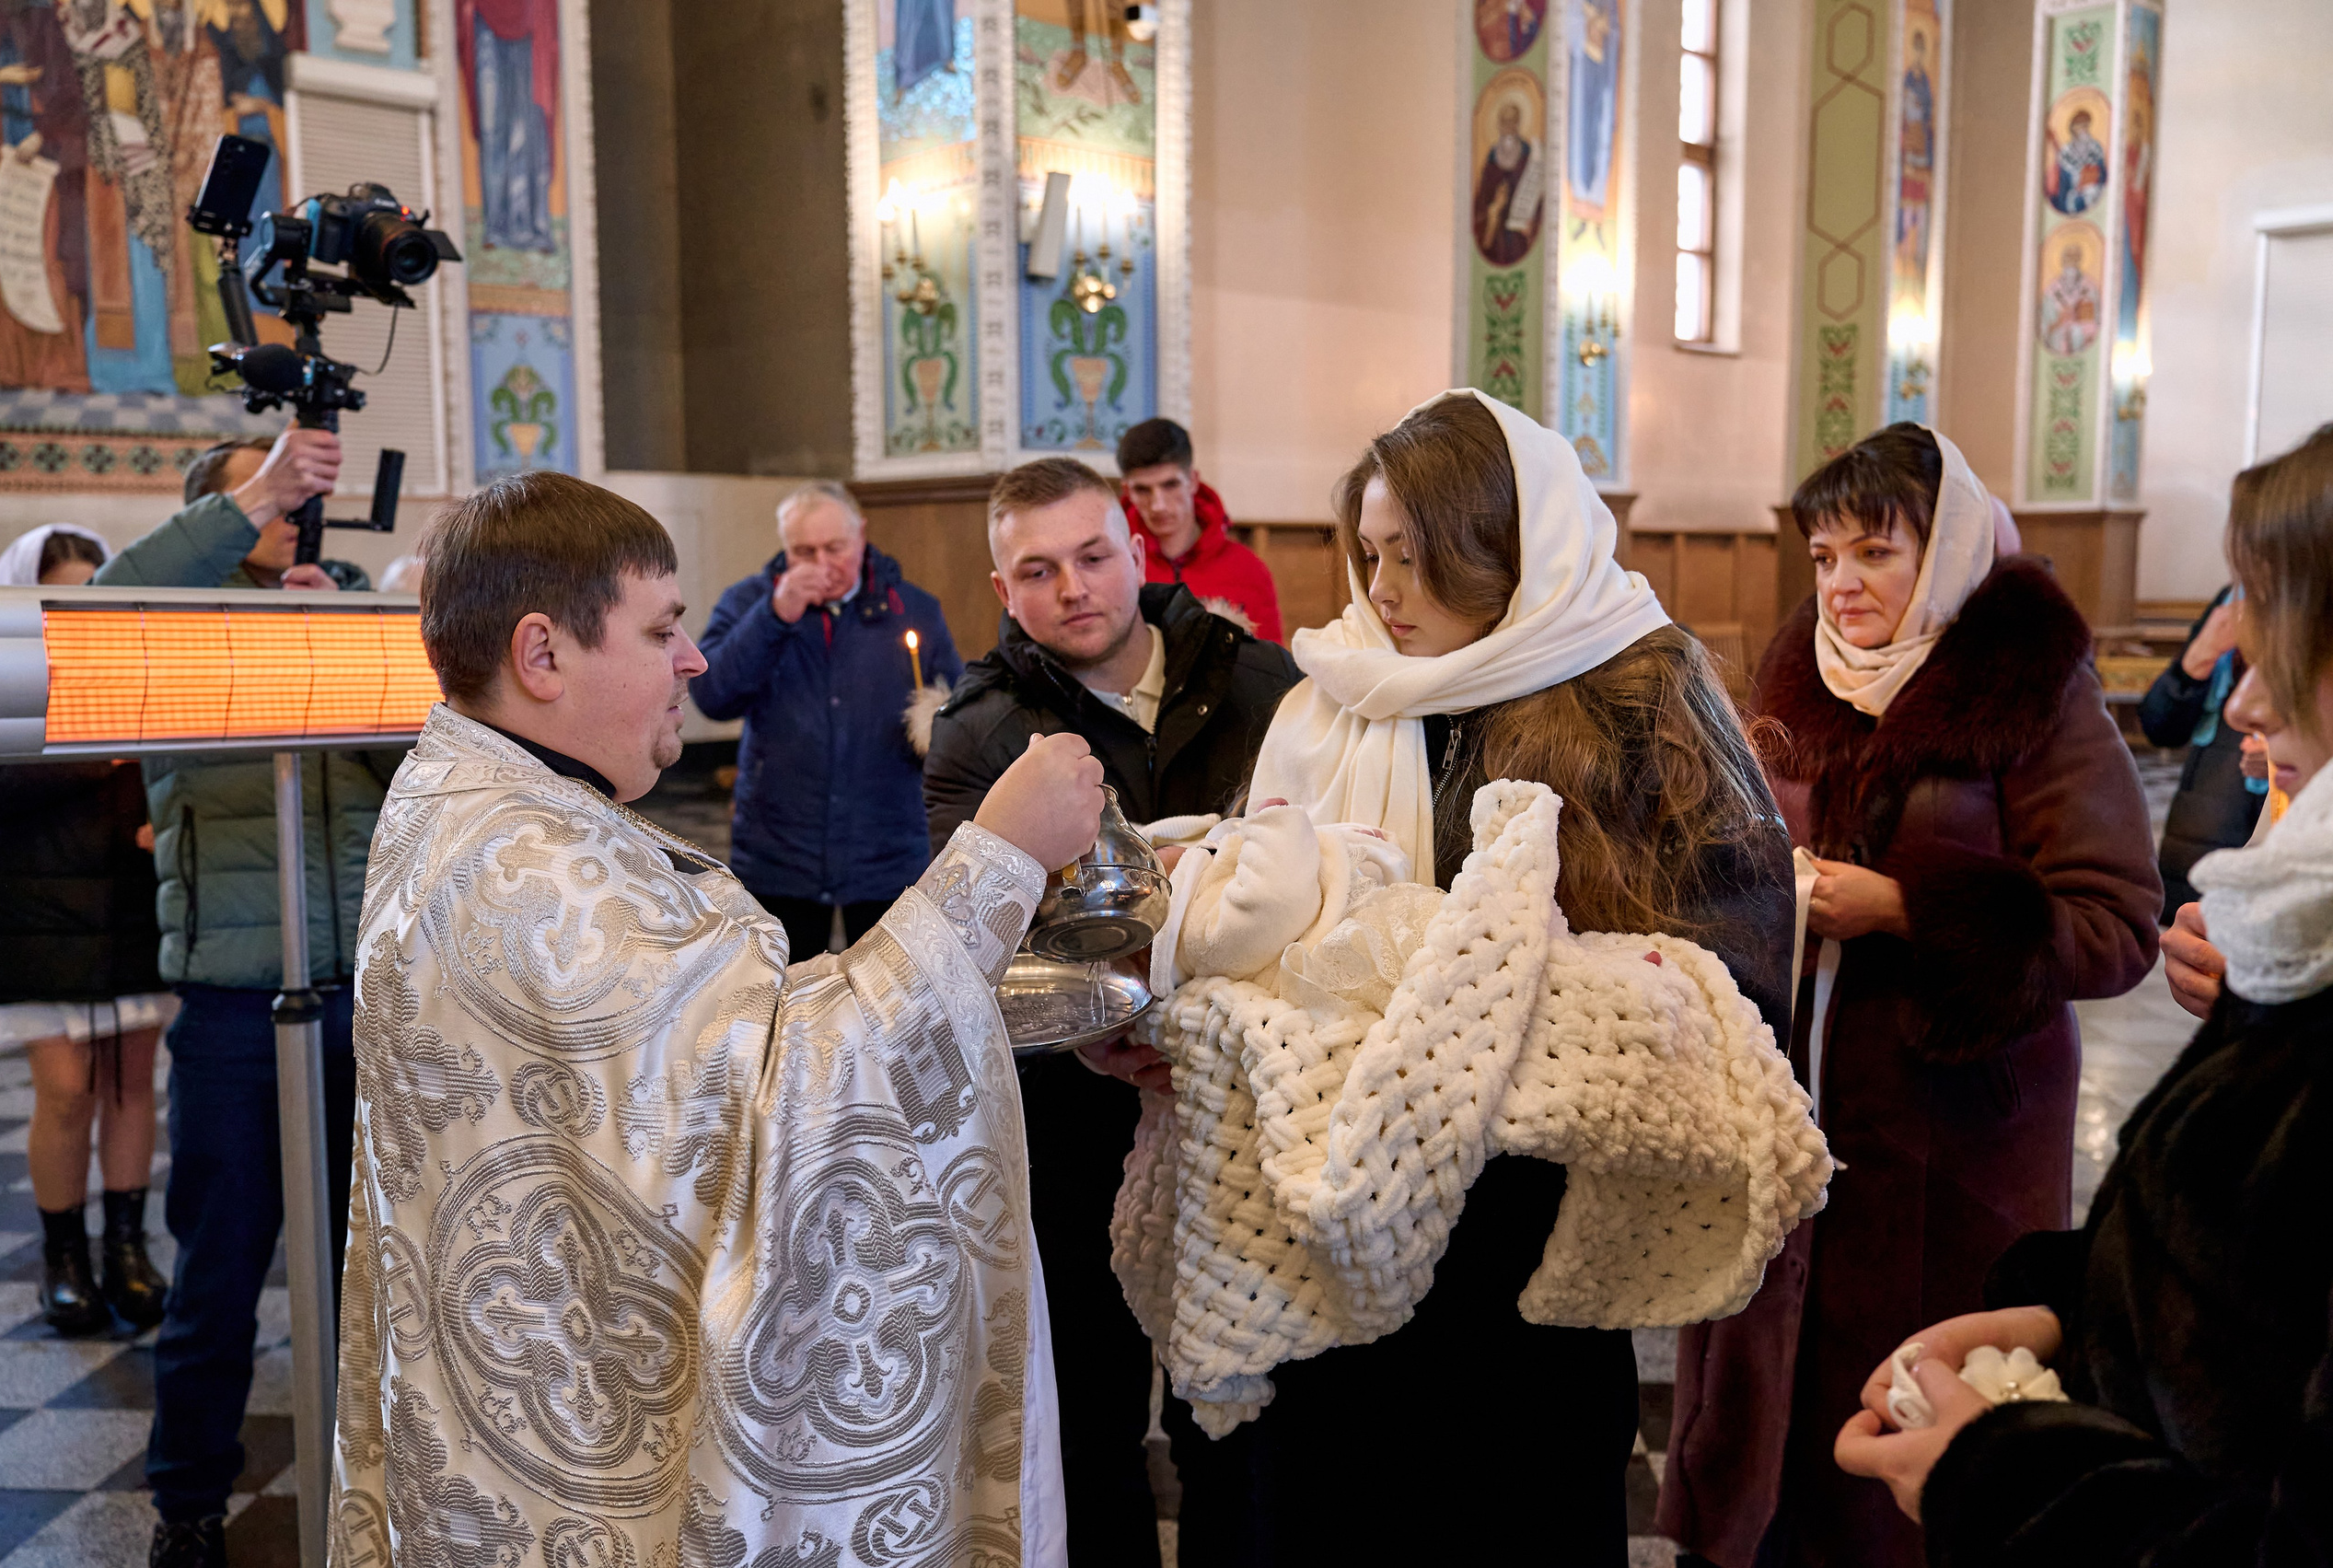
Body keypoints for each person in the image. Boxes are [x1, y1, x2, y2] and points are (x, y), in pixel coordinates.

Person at [331, 470, 1105, 1568]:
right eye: (662, 629)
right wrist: (1002, 856)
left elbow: (711, 1055)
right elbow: (793, 1096)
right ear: (542, 655)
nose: (692, 658)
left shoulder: (477, 803)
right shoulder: (526, 875)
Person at [1159, 389, 1797, 1566]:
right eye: (1371, 553)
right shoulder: (1328, 696)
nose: (1386, 591)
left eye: (1419, 557)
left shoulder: (1638, 700)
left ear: (1508, 548)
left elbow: (1736, 981)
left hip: (1520, 1245)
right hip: (1334, 1212)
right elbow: (1256, 901)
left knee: (1509, 1508)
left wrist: (1485, 993)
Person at [1656, 424, 2162, 1568]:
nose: (1840, 585)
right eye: (1823, 556)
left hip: (1951, 1152)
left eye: (1874, 554)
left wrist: (1904, 908)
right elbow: (1742, 842)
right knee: (1773, 1449)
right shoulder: (1804, 673)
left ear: (1944, 553)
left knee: (1902, 1461)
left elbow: (2117, 921)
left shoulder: (2026, 691)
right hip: (1787, 1134)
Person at [1834, 422, 2333, 1568]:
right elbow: (2240, 1257)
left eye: (2285, 656)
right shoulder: (2308, 918)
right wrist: (2061, 1311)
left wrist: (1997, 1476)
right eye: (1824, 556)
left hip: (1967, 1120)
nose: (2243, 708)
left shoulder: (2026, 692)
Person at [923, 456, 1299, 1566]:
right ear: (1003, 589)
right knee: (1087, 1400)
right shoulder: (979, 731)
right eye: (1037, 570)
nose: (1073, 586)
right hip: (1072, 1111)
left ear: (1138, 549)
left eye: (1093, 555)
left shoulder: (1258, 682)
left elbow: (1325, 872)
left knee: (1231, 1397)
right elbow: (970, 936)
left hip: (1240, 1099)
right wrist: (1095, 1035)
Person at [93, 424, 388, 1568]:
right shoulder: (168, 635)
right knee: (218, 1271)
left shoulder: (348, 603)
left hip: (362, 994)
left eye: (293, 496)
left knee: (374, 1266)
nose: (282, 514)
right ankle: (189, 1503)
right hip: (233, 1008)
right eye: (259, 500)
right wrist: (247, 494)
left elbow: (419, 765)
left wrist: (340, 634)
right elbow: (112, 598)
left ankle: (381, 1480)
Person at [0, 526, 174, 1336]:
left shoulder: (133, 670)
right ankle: (64, 1259)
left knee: (132, 1082)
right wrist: (103, 756)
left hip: (129, 903)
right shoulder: (4, 672)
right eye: (66, 591)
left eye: (97, 586)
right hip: (36, 908)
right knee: (66, 1091)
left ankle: (127, 1249)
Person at [691, 481, 963, 960]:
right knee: (779, 993)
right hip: (779, 849)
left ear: (861, 533)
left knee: (892, 998)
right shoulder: (749, 601)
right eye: (804, 551)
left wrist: (933, 722)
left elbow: (956, 714)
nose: (822, 564)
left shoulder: (912, 607)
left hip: (887, 846)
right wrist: (775, 616)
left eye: (835, 547)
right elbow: (713, 696)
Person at [2140, 585, 2266, 917]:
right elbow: (2160, 728)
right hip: (2200, 827)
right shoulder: (2230, 601)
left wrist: (2285, 750)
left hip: (2275, 823)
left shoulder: (2316, 603)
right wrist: (2199, 656)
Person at [1117, 418, 1284, 642]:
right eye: (1142, 489)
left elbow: (1270, 670)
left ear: (1193, 481)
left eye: (1170, 485)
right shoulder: (1116, 567)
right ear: (1127, 491)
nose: (1158, 505)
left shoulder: (1249, 571)